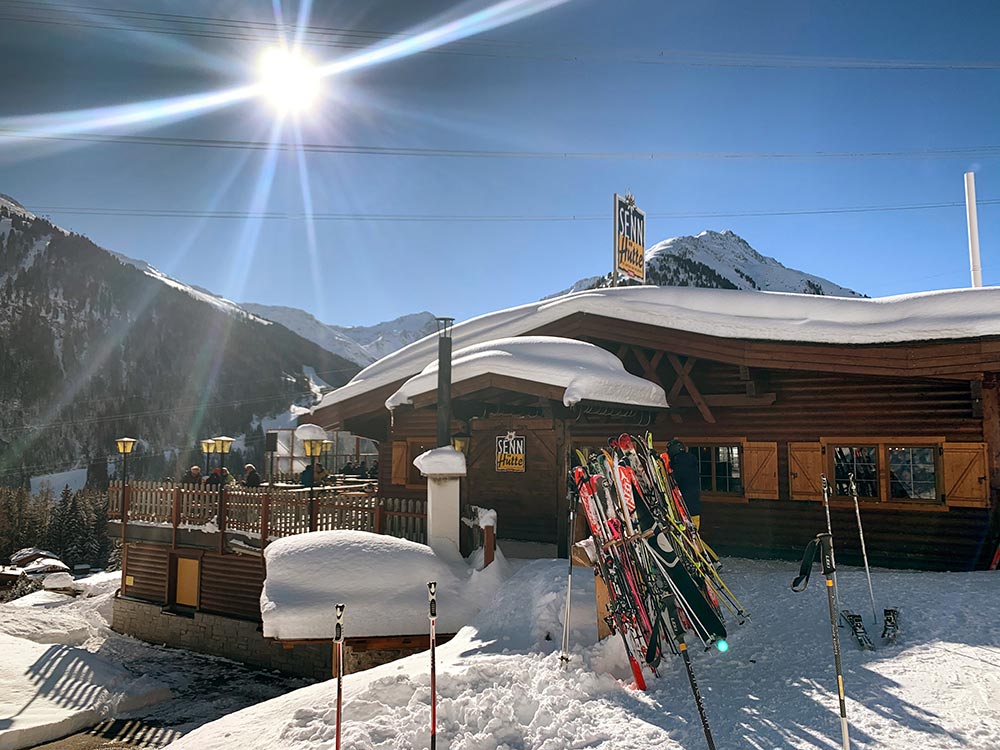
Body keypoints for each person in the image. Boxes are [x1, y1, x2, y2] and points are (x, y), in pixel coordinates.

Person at [666, 439, 702, 528]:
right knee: (693, 537)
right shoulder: (690, 462)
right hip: (694, 509)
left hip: (684, 510)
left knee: (687, 536)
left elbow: (675, 479)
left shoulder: (679, 464)